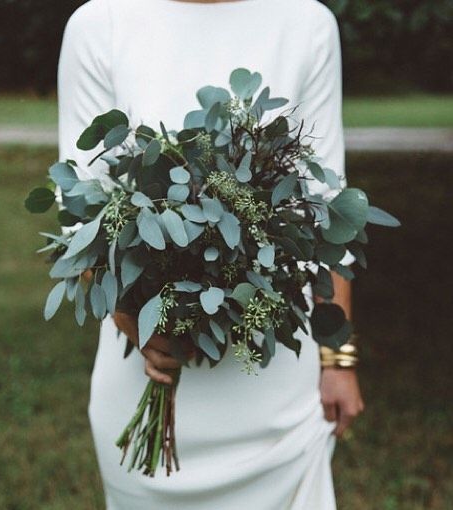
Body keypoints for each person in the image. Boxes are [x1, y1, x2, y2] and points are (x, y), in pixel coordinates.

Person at [57, 0, 364, 508]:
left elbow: (329, 210)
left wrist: (338, 359)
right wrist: (133, 320)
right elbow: (82, 209)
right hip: (145, 372)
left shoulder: (306, 22)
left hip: (275, 395)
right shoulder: (100, 23)